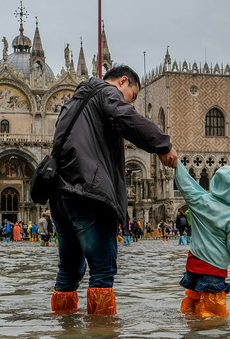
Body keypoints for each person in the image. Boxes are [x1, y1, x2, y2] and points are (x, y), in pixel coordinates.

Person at [48, 65, 177, 315]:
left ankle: (63, 327)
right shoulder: (105, 92)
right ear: (123, 82)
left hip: (61, 195)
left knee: (69, 269)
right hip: (88, 194)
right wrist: (163, 144)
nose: (131, 103)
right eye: (133, 96)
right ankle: (101, 331)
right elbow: (126, 118)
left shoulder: (74, 100)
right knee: (102, 270)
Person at [174, 161, 230, 318]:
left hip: (193, 265)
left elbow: (185, 183)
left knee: (192, 307)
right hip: (213, 269)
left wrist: (176, 163)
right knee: (212, 315)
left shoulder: (200, 201)